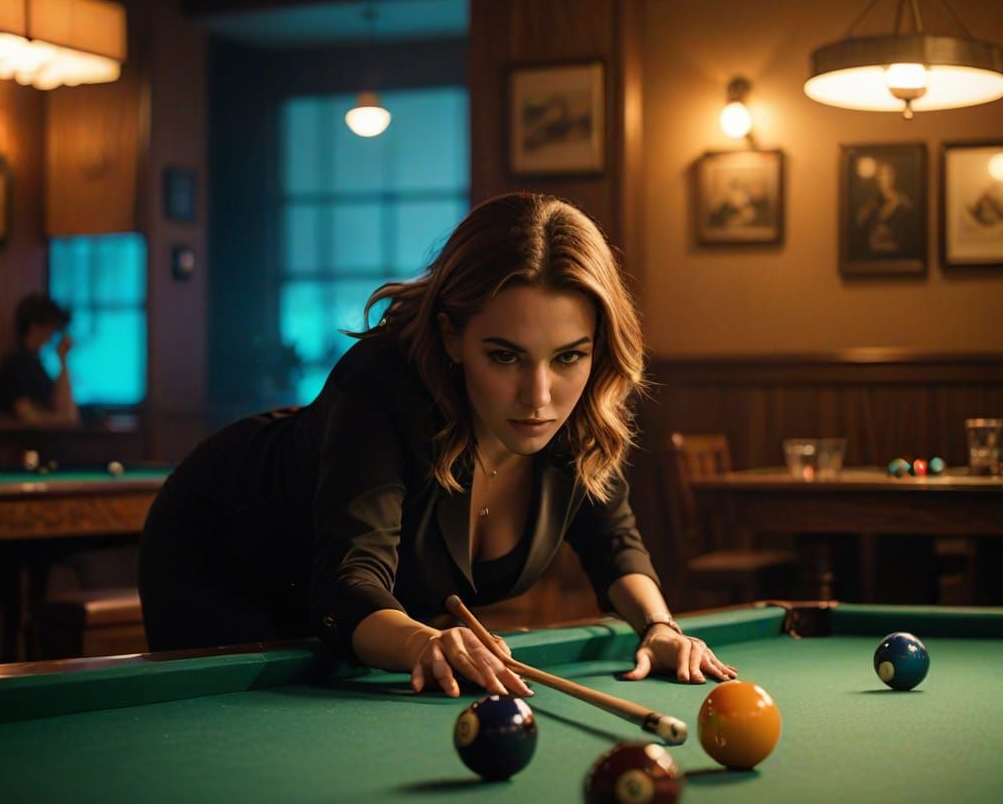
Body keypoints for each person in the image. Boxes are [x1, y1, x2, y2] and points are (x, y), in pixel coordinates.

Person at [138, 192, 736, 696]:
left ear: (596, 348)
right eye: (504, 356)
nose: (539, 396)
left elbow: (614, 543)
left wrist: (659, 627)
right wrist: (427, 640)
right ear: (452, 335)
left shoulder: (578, 414)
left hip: (351, 609)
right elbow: (350, 581)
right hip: (222, 549)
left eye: (568, 357)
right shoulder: (381, 385)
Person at [0, 291, 79, 424]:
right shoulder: (16, 364)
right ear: (34, 326)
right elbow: (28, 417)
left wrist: (63, 359)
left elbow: (67, 410)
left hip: (42, 441)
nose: (53, 333)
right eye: (51, 326)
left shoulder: (36, 364)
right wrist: (61, 421)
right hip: (23, 443)